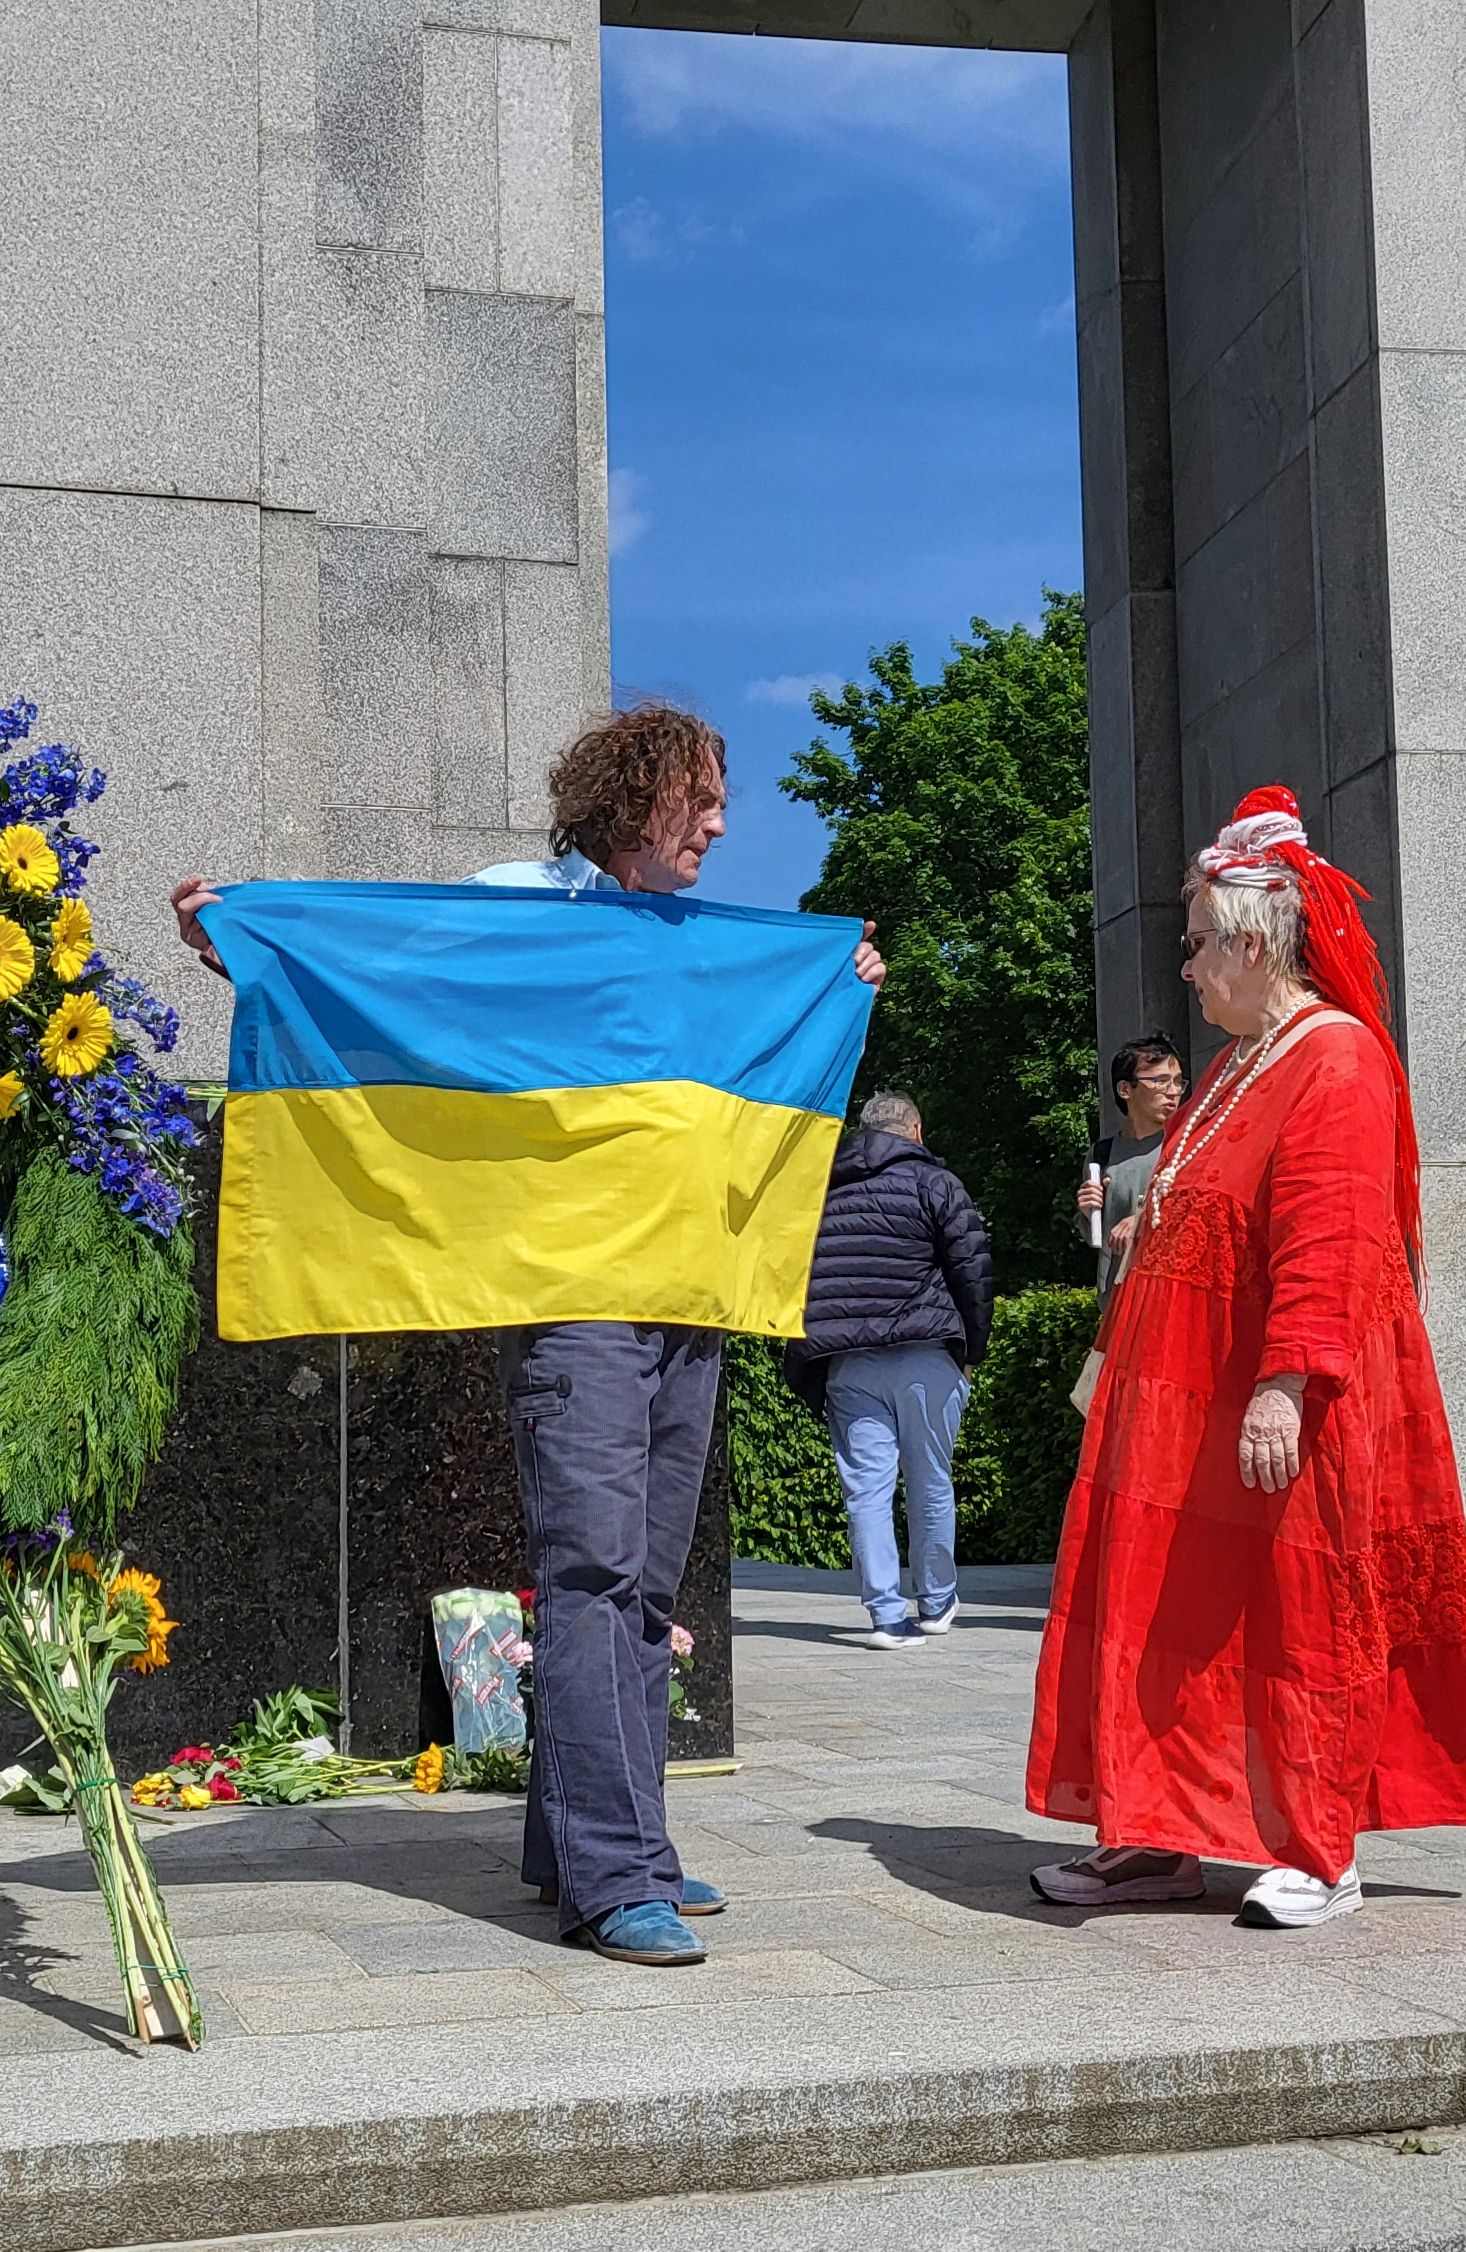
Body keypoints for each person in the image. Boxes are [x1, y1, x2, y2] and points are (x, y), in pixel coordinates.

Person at [170, 703, 884, 1971]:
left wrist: (836, 987)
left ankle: (600, 1841)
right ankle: (613, 1878)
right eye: (700, 800)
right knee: (596, 1570)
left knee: (646, 1585)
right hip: (575, 1305)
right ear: (631, 798)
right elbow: (386, 985)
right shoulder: (515, 907)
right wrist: (252, 946)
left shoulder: (703, 946)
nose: (721, 825)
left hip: (684, 1292)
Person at [1022, 784, 1466, 1931]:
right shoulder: (1245, 1058)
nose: (1185, 970)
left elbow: (1329, 1237)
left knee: (1300, 1608)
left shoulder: (1330, 1056)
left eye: (1193, 944)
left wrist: (1286, 1382)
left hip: (1279, 1395)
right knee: (1176, 1618)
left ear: (1247, 937)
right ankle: (1163, 1832)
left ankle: (1318, 1844)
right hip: (1190, 1403)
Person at [793, 1090, 994, 1650]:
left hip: (847, 1363)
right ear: (916, 1131)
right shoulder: (935, 1183)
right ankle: (935, 1602)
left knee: (866, 1491)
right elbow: (972, 1272)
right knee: (930, 1481)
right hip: (924, 1355)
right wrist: (970, 1350)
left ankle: (885, 1615)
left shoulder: (822, 1188)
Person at [1080, 1035, 1185, 1298]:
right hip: (1116, 1306)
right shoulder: (1101, 1155)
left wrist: (1143, 1218)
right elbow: (1099, 1240)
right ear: (1125, 1089)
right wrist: (1087, 1212)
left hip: (1170, 1300)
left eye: (1177, 1082)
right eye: (1160, 1081)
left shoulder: (1189, 1146)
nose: (1173, 1091)